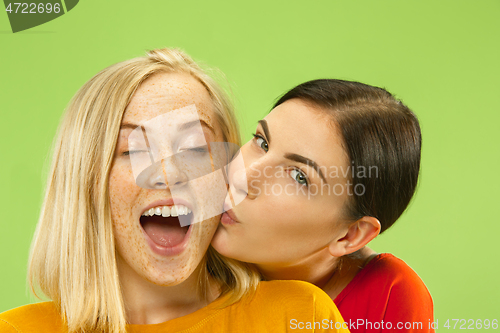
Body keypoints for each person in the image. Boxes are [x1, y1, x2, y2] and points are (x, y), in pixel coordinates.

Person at [0, 51, 348, 333]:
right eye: (134, 151)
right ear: (87, 181)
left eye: (195, 148)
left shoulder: (298, 317)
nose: (168, 174)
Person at [212, 79, 434, 332]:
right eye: (262, 143)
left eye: (299, 176)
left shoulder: (388, 298)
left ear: (351, 234)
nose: (242, 176)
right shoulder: (179, 239)